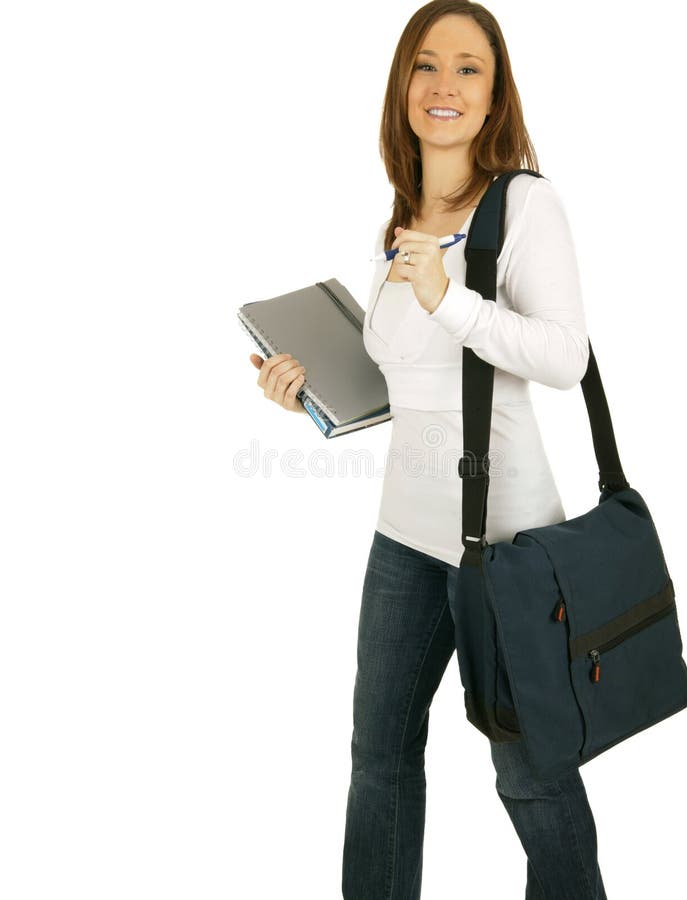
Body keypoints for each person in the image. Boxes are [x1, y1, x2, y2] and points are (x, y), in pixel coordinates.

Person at [251, 2, 607, 897]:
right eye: (426, 65)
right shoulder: (401, 218)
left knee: (531, 775)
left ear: (495, 96)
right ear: (402, 85)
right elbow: (411, 387)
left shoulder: (526, 203)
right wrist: (313, 400)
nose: (444, 85)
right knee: (379, 760)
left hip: (509, 543)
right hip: (404, 538)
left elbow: (566, 357)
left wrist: (450, 297)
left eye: (468, 69)